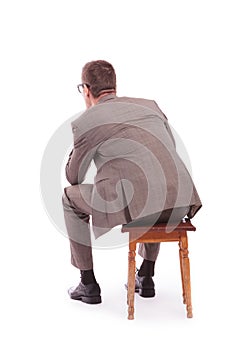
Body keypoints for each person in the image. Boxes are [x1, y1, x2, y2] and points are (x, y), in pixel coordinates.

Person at [62, 60, 202, 304]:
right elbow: (168, 149)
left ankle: (88, 283)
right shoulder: (150, 106)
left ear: (86, 90)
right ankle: (146, 276)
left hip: (140, 205)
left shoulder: (88, 120)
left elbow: (74, 177)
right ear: (114, 87)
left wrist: (82, 136)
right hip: (179, 198)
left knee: (69, 198)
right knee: (153, 190)